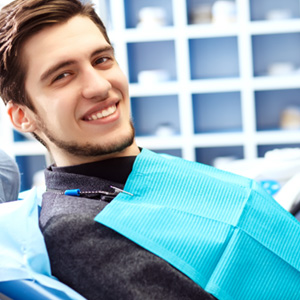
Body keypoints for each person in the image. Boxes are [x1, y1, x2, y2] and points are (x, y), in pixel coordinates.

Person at [0, 1, 299, 300]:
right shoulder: (79, 230)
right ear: (22, 116)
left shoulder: (145, 170)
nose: (100, 86)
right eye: (62, 75)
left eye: (102, 59)